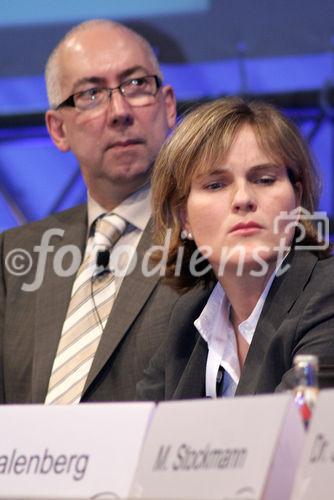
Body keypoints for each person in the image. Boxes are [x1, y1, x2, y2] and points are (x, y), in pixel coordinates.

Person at [0, 19, 179, 404]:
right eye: (91, 94)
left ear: (167, 106)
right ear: (57, 130)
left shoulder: (212, 238)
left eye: (135, 85)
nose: (119, 111)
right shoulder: (13, 256)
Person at [136, 96, 334, 401]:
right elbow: (138, 436)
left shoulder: (328, 296)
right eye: (215, 185)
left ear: (296, 200)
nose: (243, 198)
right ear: (182, 217)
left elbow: (288, 435)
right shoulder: (188, 318)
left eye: (265, 179)